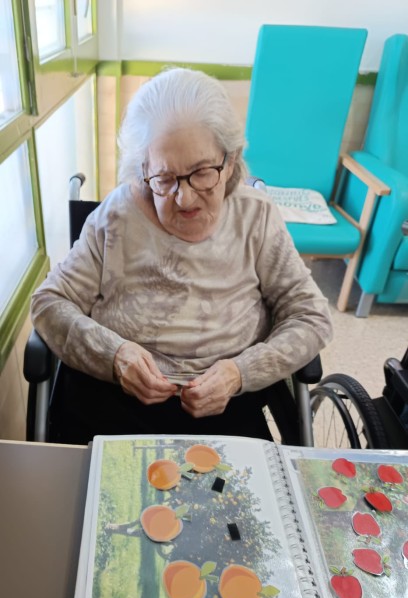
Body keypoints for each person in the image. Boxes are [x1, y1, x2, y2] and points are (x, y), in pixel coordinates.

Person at [31, 68, 333, 444]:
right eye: (165, 178)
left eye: (202, 172)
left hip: (226, 408)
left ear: (231, 161)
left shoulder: (255, 216)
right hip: (112, 401)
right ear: (143, 169)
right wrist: (115, 356)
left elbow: (310, 316)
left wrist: (239, 373)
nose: (184, 198)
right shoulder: (116, 216)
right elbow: (49, 303)